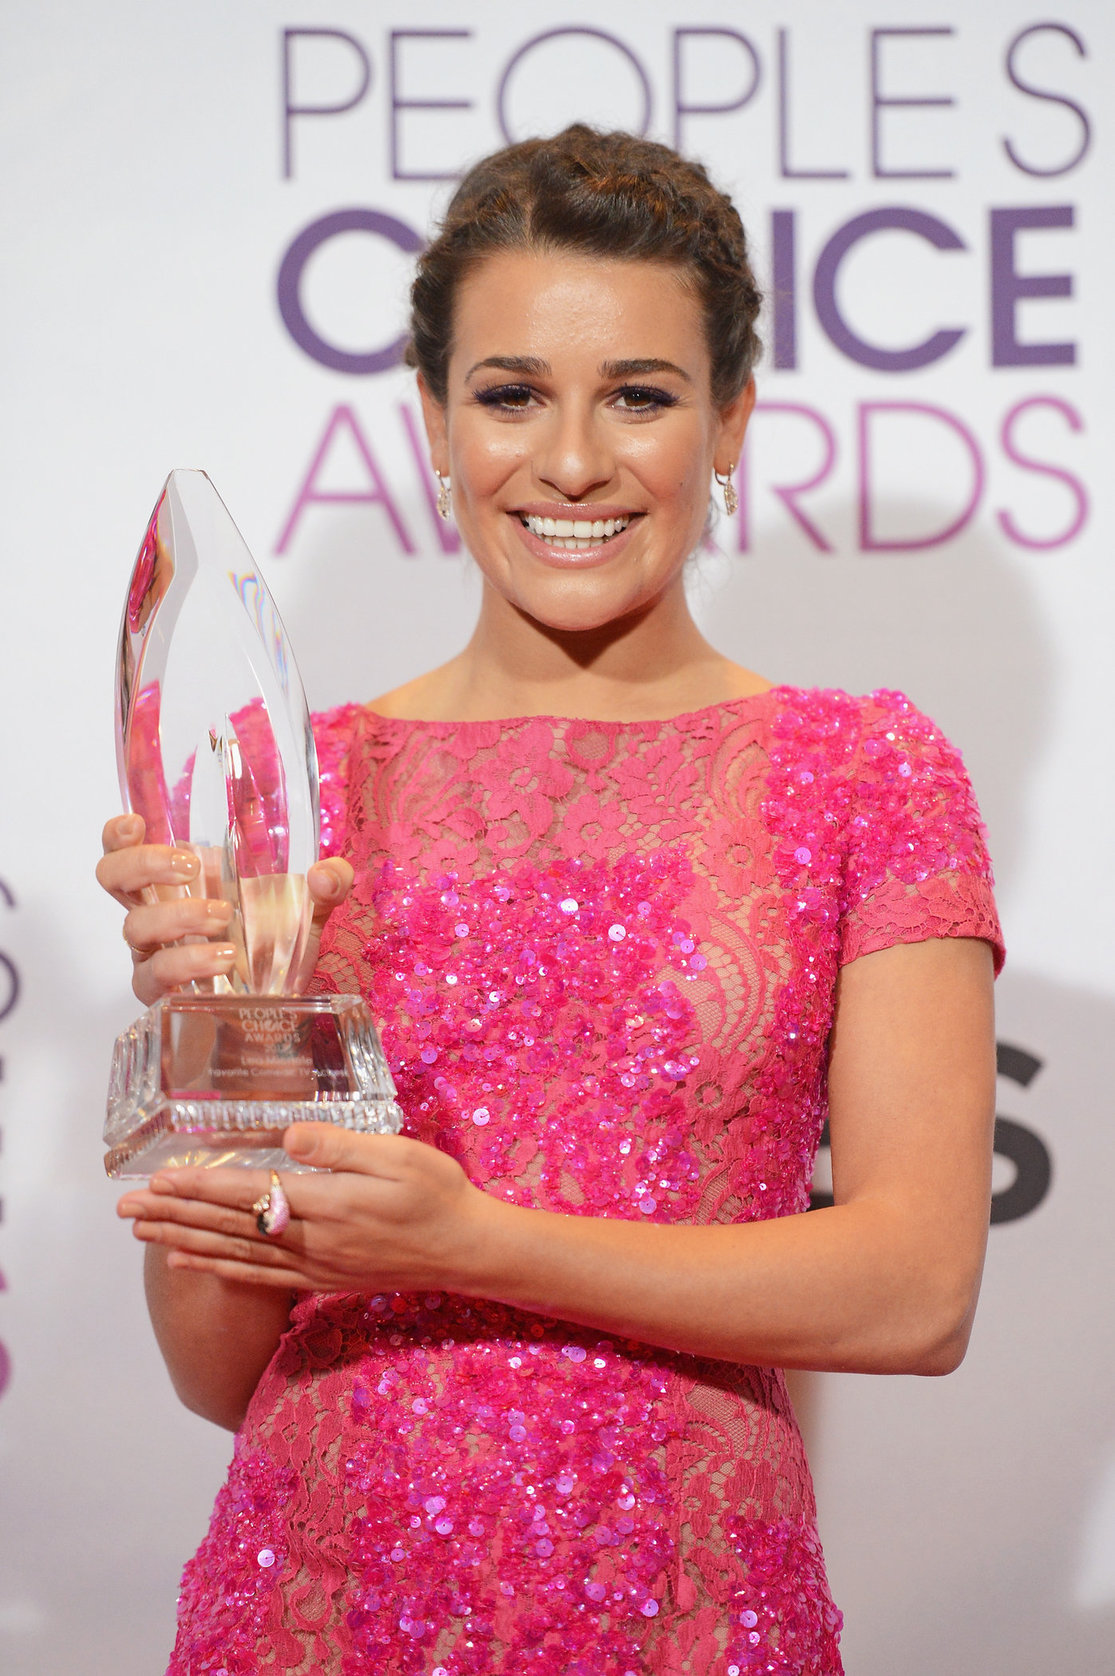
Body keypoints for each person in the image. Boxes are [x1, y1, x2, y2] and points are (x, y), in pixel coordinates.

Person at [99, 125, 1003, 1675]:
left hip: (693, 1616)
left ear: (732, 423)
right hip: (313, 1609)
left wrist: (471, 1242)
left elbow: (916, 1293)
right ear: (435, 427)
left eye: (639, 396)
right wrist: (215, 1034)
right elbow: (216, 1362)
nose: (570, 461)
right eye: (509, 393)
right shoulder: (288, 781)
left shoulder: (866, 770)